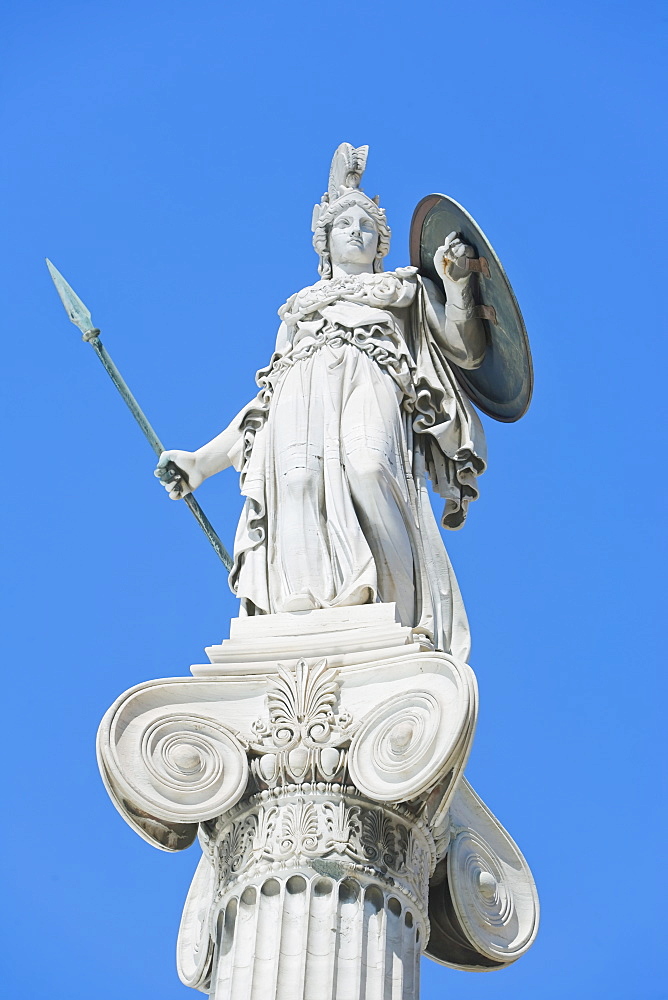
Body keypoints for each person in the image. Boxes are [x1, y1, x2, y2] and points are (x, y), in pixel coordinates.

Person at [156, 144, 487, 661]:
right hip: (303, 386)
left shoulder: (401, 291)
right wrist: (201, 462)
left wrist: (455, 283)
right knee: (296, 480)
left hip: (371, 374)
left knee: (370, 468)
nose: (356, 231)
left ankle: (399, 614)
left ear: (381, 244)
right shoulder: (299, 313)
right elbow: (262, 407)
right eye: (343, 224)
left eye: (367, 226)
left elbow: (465, 347)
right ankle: (305, 603)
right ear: (324, 242)